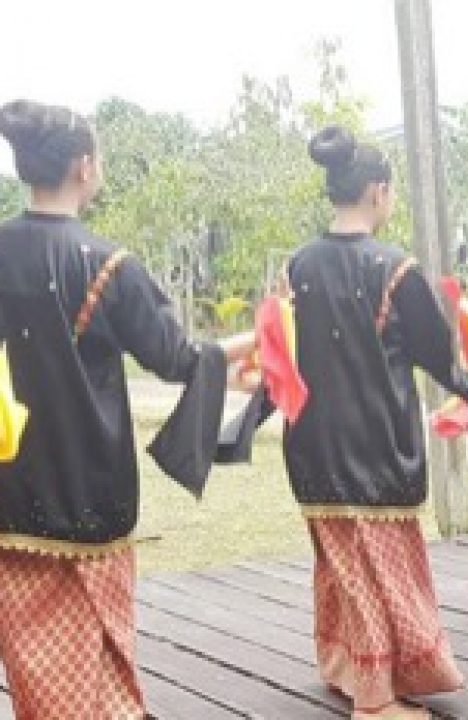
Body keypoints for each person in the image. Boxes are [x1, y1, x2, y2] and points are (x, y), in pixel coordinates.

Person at [0, 100, 251, 718]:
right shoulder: (109, 264)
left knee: (35, 655)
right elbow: (176, 358)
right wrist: (250, 346)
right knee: (102, 649)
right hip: (93, 488)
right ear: (84, 167)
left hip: (9, 487)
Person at [280, 125, 468, 719]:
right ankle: (375, 699)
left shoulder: (299, 264)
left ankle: (349, 669)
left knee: (344, 567)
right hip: (376, 445)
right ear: (378, 192)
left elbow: (283, 351)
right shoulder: (395, 269)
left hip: (313, 441)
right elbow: (438, 356)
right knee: (378, 569)